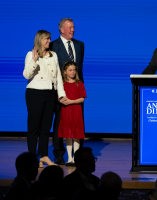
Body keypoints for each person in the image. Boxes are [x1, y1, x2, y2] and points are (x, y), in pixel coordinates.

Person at [23, 30, 66, 167]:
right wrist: (34, 61)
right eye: (46, 39)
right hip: (35, 93)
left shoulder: (53, 55)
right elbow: (26, 74)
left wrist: (61, 94)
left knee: (46, 127)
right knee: (34, 127)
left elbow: (58, 76)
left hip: (50, 94)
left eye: (49, 38)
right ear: (40, 40)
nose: (49, 41)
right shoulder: (31, 54)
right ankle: (32, 157)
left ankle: (44, 156)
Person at [49, 18, 85, 165]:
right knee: (60, 122)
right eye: (69, 27)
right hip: (60, 90)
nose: (73, 30)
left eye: (73, 27)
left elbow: (79, 70)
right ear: (62, 29)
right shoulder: (53, 45)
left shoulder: (80, 45)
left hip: (76, 89)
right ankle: (60, 154)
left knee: (78, 121)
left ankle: (78, 155)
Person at [58, 61, 86, 166]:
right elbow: (59, 97)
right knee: (68, 135)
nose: (73, 72)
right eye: (70, 70)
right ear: (65, 72)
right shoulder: (62, 84)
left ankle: (75, 157)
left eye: (74, 70)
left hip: (76, 111)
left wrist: (71, 101)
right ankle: (69, 158)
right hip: (66, 112)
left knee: (76, 134)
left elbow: (82, 98)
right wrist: (62, 101)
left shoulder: (79, 84)